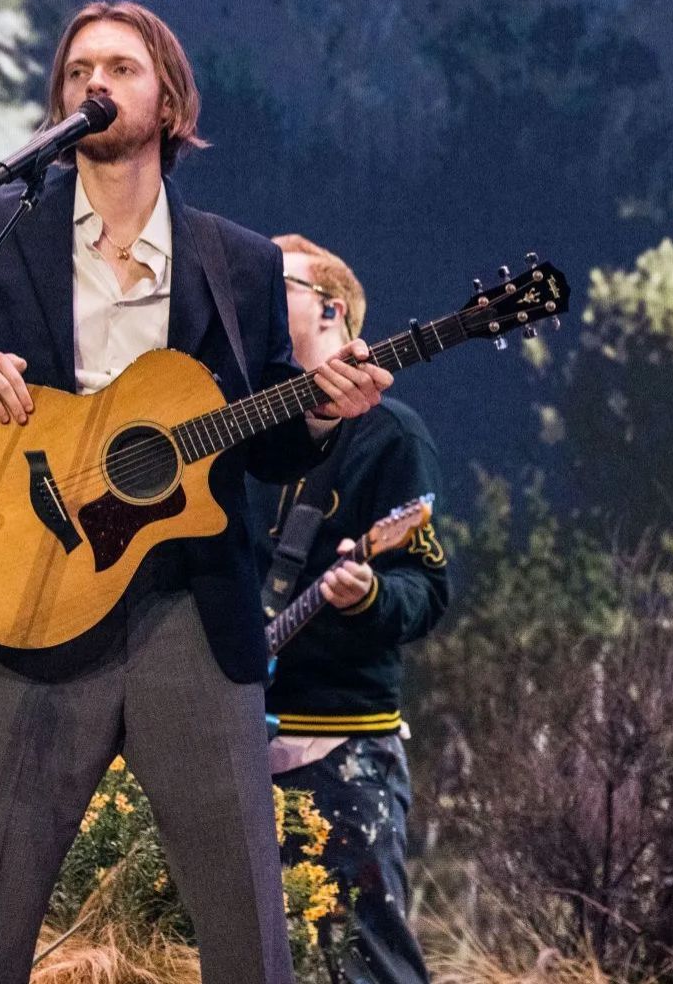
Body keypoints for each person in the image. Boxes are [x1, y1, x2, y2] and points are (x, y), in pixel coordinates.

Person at [0, 0, 392, 984]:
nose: (94, 84)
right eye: (77, 72)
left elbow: (268, 447)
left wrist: (322, 413)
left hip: (190, 608)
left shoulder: (236, 262)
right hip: (32, 598)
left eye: (121, 66)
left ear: (169, 99)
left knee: (245, 931)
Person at [251, 234, 449, 984]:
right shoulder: (239, 430)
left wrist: (368, 596)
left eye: (278, 286)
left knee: (365, 965)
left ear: (332, 309)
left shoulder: (391, 433)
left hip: (339, 755)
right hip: (234, 748)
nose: (255, 297)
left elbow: (427, 591)